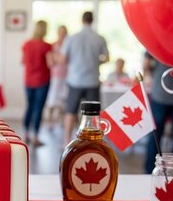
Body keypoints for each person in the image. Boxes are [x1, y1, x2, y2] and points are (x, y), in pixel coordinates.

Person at [60, 11, 109, 145]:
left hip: (75, 80)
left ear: (82, 20)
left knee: (70, 111)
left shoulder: (72, 38)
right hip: (92, 80)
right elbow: (107, 58)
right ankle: (93, 142)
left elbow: (64, 58)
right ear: (92, 21)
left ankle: (66, 142)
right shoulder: (99, 38)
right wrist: (95, 62)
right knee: (93, 114)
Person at [22, 20, 53, 146]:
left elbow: (23, 61)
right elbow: (50, 63)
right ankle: (35, 137)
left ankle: (25, 134)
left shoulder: (27, 44)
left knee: (29, 107)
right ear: (44, 30)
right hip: (42, 80)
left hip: (28, 80)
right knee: (38, 109)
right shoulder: (46, 46)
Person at [45, 25, 68, 124]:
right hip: (56, 75)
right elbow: (50, 62)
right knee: (52, 98)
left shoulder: (68, 44)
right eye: (61, 31)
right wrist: (59, 59)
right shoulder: (53, 45)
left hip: (67, 75)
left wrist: (58, 59)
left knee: (63, 98)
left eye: (64, 31)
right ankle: (49, 120)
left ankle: (61, 120)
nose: (62, 33)